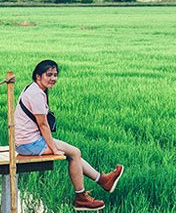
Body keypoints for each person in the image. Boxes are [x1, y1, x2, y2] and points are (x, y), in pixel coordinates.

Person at [14, 60, 124, 211]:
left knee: (74, 153)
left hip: (27, 140)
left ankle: (103, 181)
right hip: (28, 144)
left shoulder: (35, 89)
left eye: (55, 75)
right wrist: (53, 149)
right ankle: (81, 197)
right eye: (49, 75)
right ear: (38, 76)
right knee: (74, 153)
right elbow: (43, 125)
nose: (53, 78)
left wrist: (52, 146)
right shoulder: (36, 95)